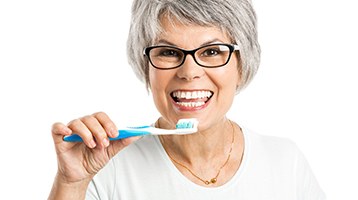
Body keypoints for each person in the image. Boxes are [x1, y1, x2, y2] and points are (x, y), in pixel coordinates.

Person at [48, 0, 326, 199]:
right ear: (145, 66)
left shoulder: (285, 163)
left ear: (242, 64)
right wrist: (71, 183)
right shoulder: (106, 170)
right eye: (168, 52)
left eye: (212, 52)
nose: (189, 72)